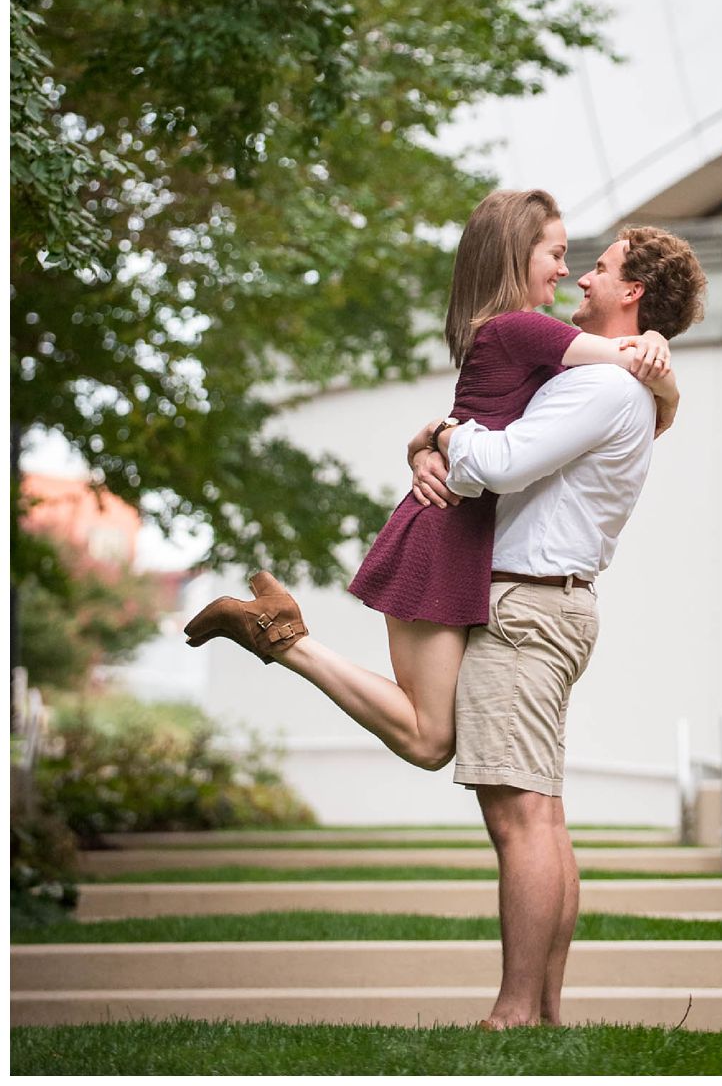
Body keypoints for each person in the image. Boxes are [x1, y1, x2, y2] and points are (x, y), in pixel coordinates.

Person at [183, 189, 681, 775]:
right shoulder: (523, 328)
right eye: (557, 253)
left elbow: (630, 410)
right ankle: (279, 633)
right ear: (519, 253)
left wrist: (430, 440)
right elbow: (640, 374)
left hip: (457, 527)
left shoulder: (514, 334)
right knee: (428, 739)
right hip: (444, 528)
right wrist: (654, 348)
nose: (567, 270)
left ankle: (278, 631)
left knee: (429, 740)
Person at [420, 225, 705, 1028]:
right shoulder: (628, 384)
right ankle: (541, 1009)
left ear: (634, 291)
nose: (582, 277)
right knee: (541, 816)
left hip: (526, 607)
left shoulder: (602, 387)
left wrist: (441, 436)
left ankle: (513, 1011)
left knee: (520, 821)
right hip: (556, 603)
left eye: (602, 269)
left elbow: (502, 464)